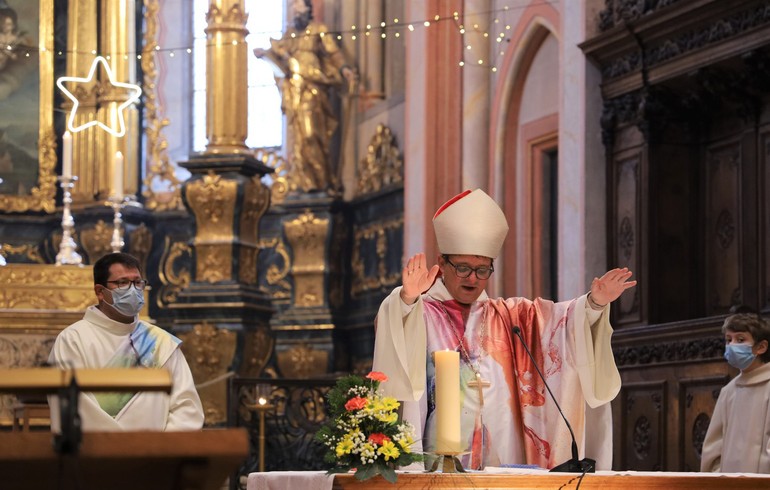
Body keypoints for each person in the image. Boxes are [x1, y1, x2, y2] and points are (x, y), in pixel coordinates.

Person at [372, 189, 636, 471]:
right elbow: (393, 334)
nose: (473, 278)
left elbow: (562, 322)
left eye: (482, 270)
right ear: (442, 263)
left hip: (504, 455)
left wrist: (594, 304)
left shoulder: (511, 317)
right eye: (462, 268)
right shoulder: (422, 313)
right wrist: (407, 300)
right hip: (438, 458)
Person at [48, 252, 204, 431]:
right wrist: (122, 447)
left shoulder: (160, 342)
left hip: (157, 454)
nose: (133, 290)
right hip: (97, 454)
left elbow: (186, 406)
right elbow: (72, 405)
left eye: (137, 282)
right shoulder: (73, 340)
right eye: (122, 283)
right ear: (100, 292)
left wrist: (161, 449)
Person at [253, 0, 356, 194]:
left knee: (312, 134)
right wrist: (265, 54)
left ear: (308, 9)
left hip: (314, 87)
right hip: (295, 89)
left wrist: (344, 69)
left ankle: (322, 181)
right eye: (292, 6)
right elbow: (278, 56)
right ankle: (303, 182)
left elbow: (333, 53)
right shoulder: (290, 35)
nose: (294, 9)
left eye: (298, 5)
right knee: (299, 137)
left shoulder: (318, 29)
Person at [700, 313, 770, 473]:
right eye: (728, 339)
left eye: (740, 340)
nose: (732, 345)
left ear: (761, 347)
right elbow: (713, 447)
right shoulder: (728, 392)